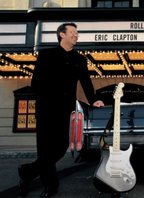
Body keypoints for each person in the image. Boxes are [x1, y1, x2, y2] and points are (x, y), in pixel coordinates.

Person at [18, 22, 104, 197]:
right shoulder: (46, 55)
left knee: (62, 146)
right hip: (46, 109)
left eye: (77, 32)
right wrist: (48, 97)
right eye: (72, 32)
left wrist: (94, 100)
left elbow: (86, 83)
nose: (76, 35)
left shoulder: (80, 59)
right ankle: (51, 186)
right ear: (62, 35)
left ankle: (27, 171)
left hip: (66, 110)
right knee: (45, 149)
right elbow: (36, 83)